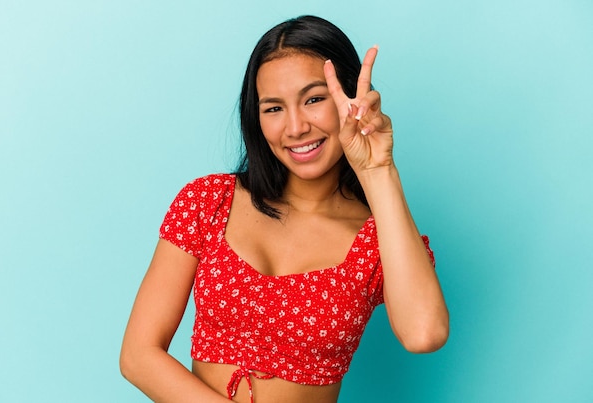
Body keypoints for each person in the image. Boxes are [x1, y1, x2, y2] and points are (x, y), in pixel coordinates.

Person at [120, 15, 449, 403]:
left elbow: (424, 333)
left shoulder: (377, 241)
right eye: (273, 108)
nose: (295, 127)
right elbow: (138, 356)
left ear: (350, 102)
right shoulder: (209, 202)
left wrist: (378, 169)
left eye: (314, 100)